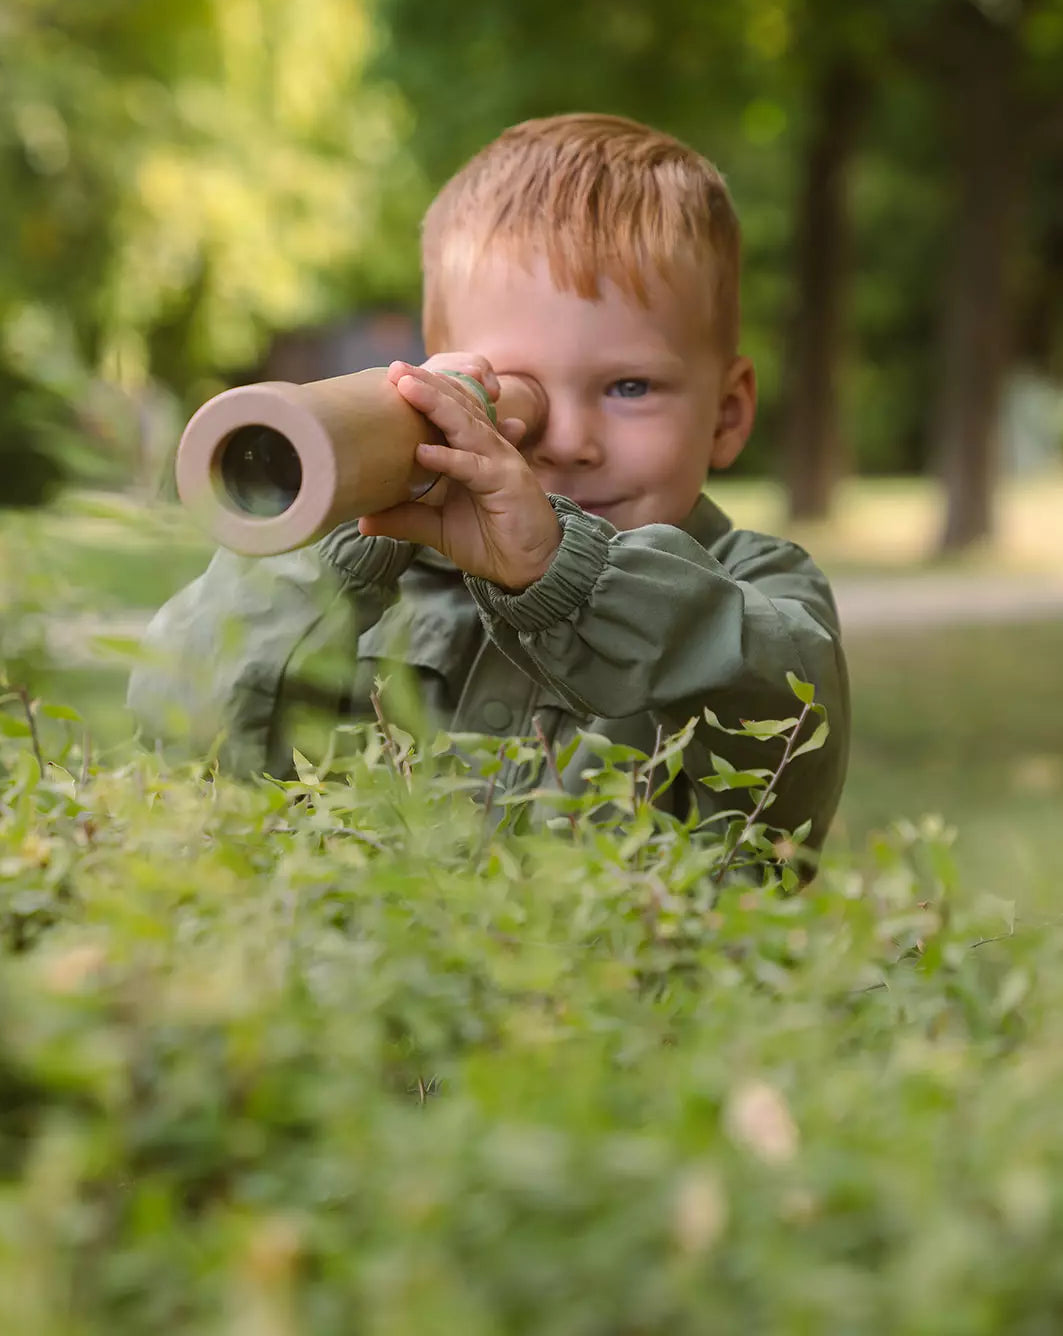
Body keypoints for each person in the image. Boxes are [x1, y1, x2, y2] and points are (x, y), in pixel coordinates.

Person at [128, 114, 849, 861]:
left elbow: (781, 745)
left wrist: (565, 573)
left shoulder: (760, 589)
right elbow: (181, 736)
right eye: (510, 393)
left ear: (726, 414)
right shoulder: (364, 592)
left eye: (630, 386)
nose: (569, 441)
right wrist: (350, 512)